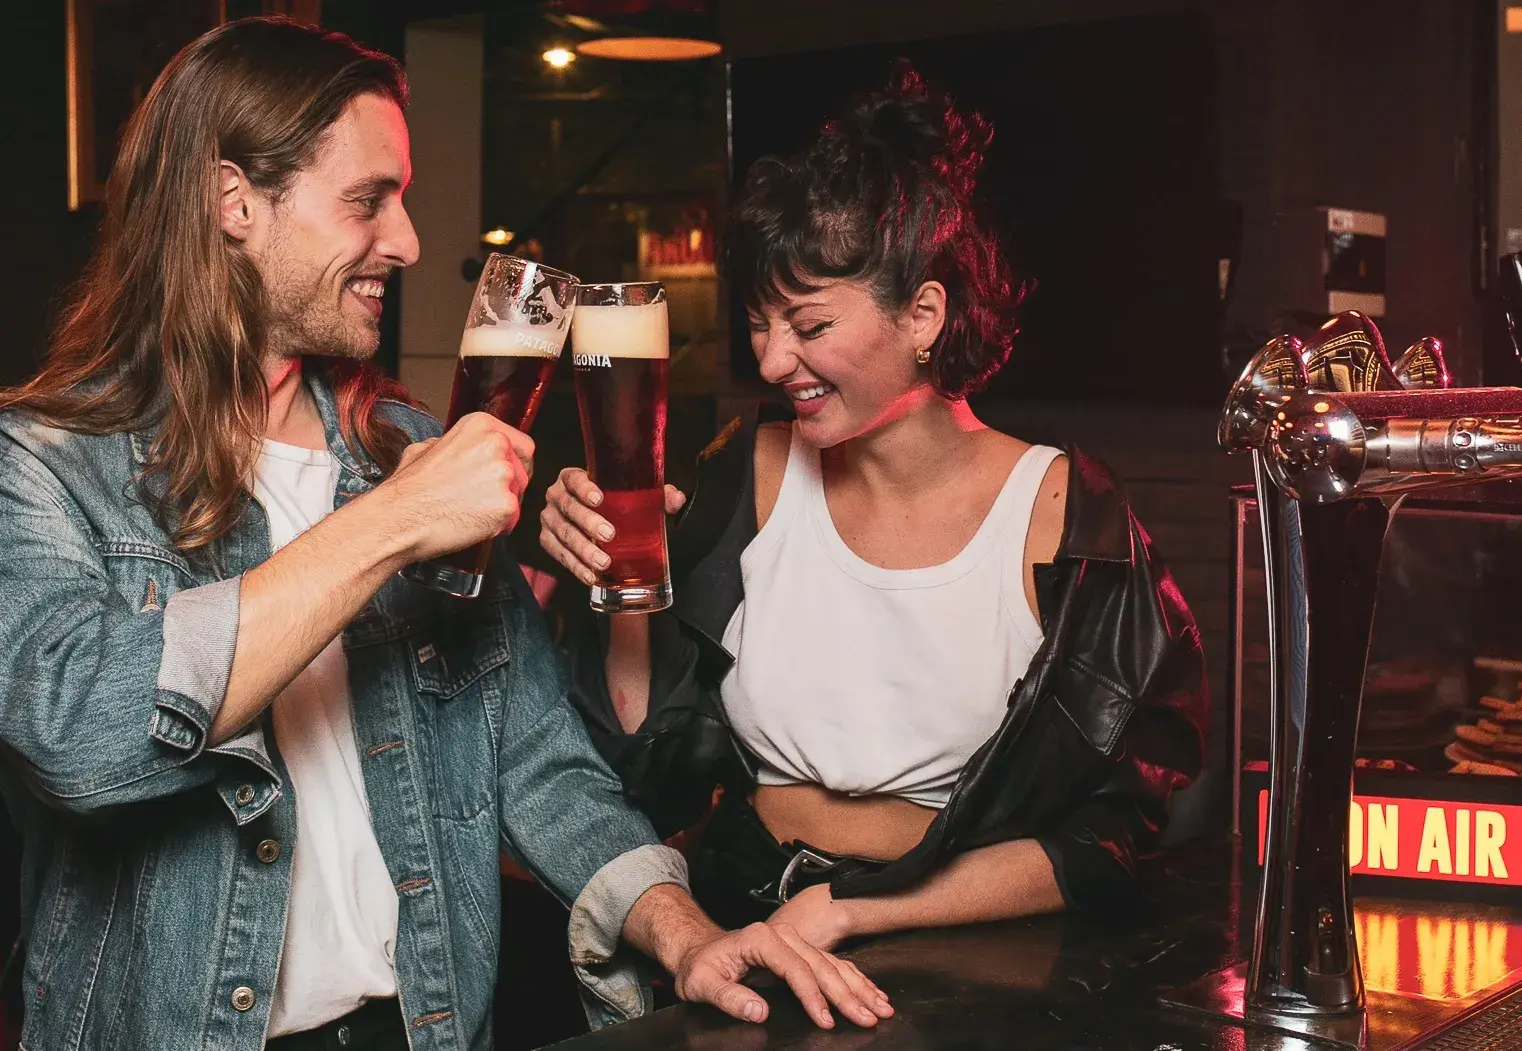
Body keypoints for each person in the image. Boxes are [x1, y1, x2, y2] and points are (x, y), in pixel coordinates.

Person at [0, 18, 891, 1051]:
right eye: (368, 200)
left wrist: (684, 932)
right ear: (234, 201)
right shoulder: (45, 460)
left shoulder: (406, 447)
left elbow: (536, 758)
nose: (409, 242)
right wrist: (392, 522)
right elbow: (81, 740)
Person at [540, 67, 1209, 946]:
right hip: (742, 920)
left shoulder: (1062, 516)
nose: (772, 361)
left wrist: (855, 908)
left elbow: (1109, 839)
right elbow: (640, 763)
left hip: (951, 949)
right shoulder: (745, 471)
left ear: (923, 315)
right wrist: (619, 581)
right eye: (759, 323)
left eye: (809, 325)